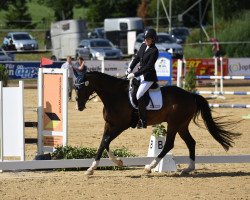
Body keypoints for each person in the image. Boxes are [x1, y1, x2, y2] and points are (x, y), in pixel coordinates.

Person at [126, 28, 159, 129]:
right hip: (141, 75)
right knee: (131, 90)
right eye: (145, 38)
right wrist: (130, 67)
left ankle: (143, 120)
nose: (145, 40)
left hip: (149, 77)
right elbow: (136, 58)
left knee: (139, 94)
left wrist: (134, 74)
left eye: (148, 39)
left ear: (153, 39)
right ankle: (134, 116)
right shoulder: (143, 45)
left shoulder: (154, 51)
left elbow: (148, 67)